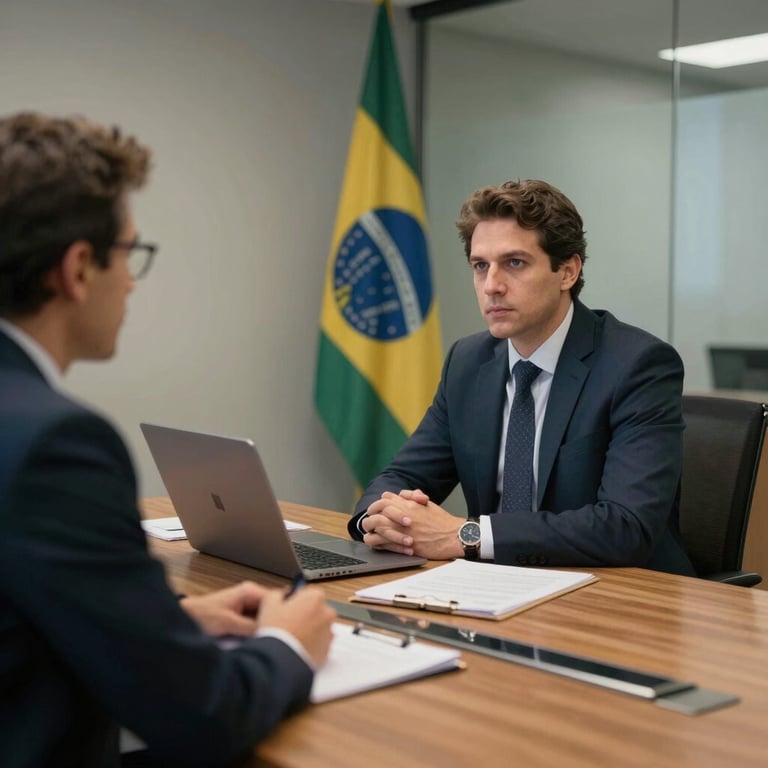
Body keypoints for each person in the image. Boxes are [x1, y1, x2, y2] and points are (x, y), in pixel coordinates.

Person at [0, 112, 336, 768]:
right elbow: (203, 716)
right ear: (75, 270)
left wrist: (169, 624)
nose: (130, 280)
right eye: (129, 254)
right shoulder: (57, 443)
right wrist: (288, 644)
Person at [348, 179, 695, 577]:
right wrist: (380, 520)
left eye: (514, 263)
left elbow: (626, 527)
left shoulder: (637, 365)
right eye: (480, 266)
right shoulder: (467, 362)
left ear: (567, 271)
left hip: (620, 596)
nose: (492, 286)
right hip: (498, 588)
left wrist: (466, 536)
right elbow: (401, 476)